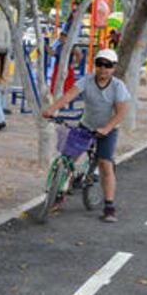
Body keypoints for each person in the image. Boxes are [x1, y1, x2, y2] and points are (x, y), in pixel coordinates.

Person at [41, 48, 130, 223]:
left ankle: (109, 206)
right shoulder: (87, 80)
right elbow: (69, 95)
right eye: (99, 64)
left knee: (105, 164)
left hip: (108, 129)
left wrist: (106, 129)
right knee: (68, 159)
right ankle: (57, 195)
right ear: (95, 65)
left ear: (114, 68)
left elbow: (120, 114)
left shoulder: (118, 86)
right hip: (86, 125)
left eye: (108, 65)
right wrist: (52, 109)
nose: (103, 68)